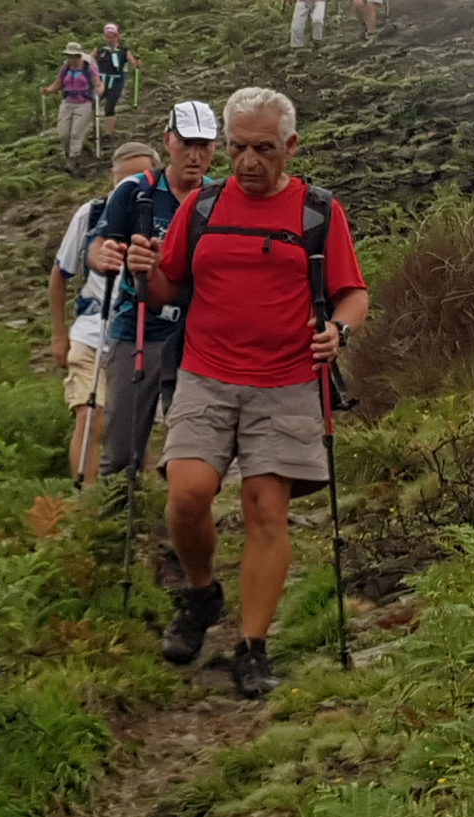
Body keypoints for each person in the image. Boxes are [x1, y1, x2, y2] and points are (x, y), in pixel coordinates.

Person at [119, 87, 368, 698]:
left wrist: (337, 332)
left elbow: (353, 293)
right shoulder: (202, 206)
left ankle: (252, 648)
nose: (248, 162)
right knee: (187, 493)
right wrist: (143, 270)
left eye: (263, 149)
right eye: (237, 148)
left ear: (291, 146)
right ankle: (202, 593)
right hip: (205, 372)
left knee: (265, 509)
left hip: (287, 381)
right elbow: (166, 289)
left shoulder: (317, 210)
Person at [87, 100, 221, 492]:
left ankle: (179, 524)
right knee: (122, 450)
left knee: (191, 451)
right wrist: (104, 256)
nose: (194, 155)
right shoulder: (135, 191)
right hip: (137, 327)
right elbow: (100, 243)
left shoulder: (219, 197)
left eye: (204, 145)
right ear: (167, 141)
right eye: (186, 143)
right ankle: (114, 517)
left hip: (197, 336)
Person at [55, 142, 159, 487]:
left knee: (130, 427)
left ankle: (128, 497)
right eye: (124, 179)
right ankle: (86, 501)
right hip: (90, 332)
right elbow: (60, 273)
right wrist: (58, 334)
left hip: (136, 337)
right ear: (112, 176)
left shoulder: (162, 218)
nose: (131, 187)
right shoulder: (91, 214)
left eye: (140, 178)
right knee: (90, 417)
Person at [45, 41, 103, 160]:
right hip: (67, 102)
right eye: (70, 56)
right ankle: (67, 154)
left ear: (79, 55)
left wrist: (99, 90)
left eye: (75, 56)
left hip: (84, 103)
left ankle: (73, 158)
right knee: (63, 133)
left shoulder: (88, 69)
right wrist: (48, 90)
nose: (72, 59)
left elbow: (98, 83)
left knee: (76, 133)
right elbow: (58, 83)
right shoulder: (65, 68)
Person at [93, 24, 137, 139]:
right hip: (101, 80)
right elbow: (90, 60)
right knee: (92, 103)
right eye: (107, 37)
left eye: (112, 37)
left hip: (116, 81)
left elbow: (133, 63)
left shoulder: (123, 50)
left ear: (117, 36)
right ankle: (95, 130)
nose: (109, 39)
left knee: (110, 107)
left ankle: (108, 134)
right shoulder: (100, 48)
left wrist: (136, 64)